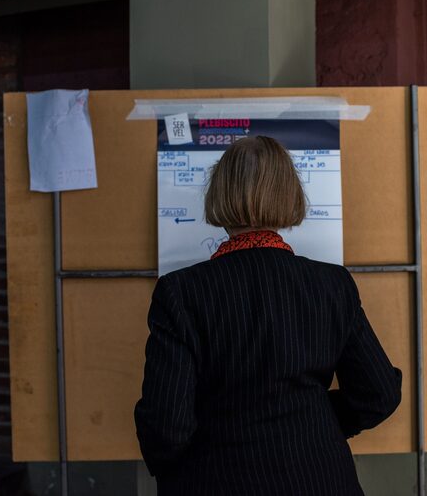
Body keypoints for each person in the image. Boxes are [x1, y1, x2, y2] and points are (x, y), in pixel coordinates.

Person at [135, 136, 403, 495]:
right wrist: (312, 424)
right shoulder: (332, 285)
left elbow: (167, 425)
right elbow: (380, 394)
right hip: (322, 480)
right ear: (290, 195)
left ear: (219, 195)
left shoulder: (182, 293)